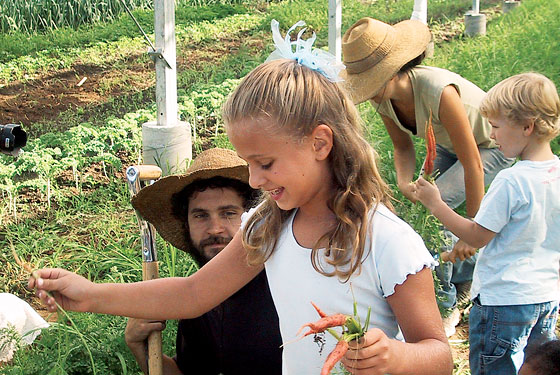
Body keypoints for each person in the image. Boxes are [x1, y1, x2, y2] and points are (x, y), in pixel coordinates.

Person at [30, 20, 453, 375]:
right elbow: (191, 295)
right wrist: (89, 294)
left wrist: (395, 356)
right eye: (249, 163)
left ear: (320, 143)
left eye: (265, 163)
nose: (255, 178)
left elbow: (438, 353)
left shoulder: (385, 240)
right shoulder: (267, 227)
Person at [340, 17, 514, 335]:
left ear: (392, 72)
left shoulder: (438, 92)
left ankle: (447, 302)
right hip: (450, 146)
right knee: (422, 215)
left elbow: (473, 162)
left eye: (370, 82)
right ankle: (466, 276)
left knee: (438, 210)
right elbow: (403, 147)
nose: (368, 93)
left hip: (493, 146)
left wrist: (471, 230)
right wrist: (406, 182)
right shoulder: (386, 100)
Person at [414, 72, 560, 375]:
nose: (491, 136)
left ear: (527, 126)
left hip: (504, 301)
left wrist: (435, 202)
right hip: (546, 297)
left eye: (495, 127)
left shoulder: (512, 180)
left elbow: (477, 235)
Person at [124, 147, 282, 375]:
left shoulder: (282, 287)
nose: (214, 229)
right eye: (200, 215)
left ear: (253, 219)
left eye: (228, 213)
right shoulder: (198, 303)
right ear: (186, 223)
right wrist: (139, 346)